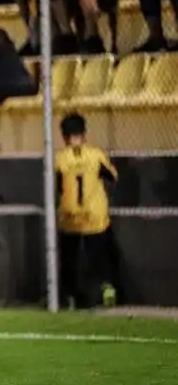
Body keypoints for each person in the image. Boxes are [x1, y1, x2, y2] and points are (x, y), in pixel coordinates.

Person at [55, 113, 119, 309]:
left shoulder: (59, 158)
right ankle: (107, 289)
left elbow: (57, 186)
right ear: (83, 134)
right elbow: (112, 176)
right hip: (94, 216)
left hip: (70, 217)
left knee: (69, 259)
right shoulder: (95, 155)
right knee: (101, 256)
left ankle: (70, 296)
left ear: (64, 136)